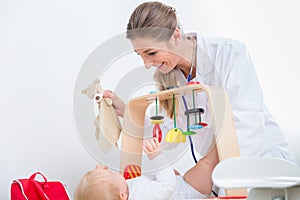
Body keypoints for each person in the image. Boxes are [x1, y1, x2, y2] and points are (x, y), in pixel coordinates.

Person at [104, 1, 296, 163]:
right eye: (140, 56)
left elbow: (247, 126)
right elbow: (169, 132)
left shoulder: (229, 55)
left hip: (262, 165)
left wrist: (208, 174)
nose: (147, 64)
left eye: (151, 53)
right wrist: (128, 114)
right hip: (219, 177)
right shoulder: (170, 76)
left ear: (176, 36)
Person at [74, 138, 219, 200]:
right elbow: (167, 186)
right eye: (112, 174)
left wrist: (101, 173)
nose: (109, 169)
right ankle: (224, 136)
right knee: (207, 163)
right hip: (188, 189)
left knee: (171, 174)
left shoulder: (124, 192)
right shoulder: (141, 195)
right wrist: (158, 157)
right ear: (123, 195)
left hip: (179, 185)